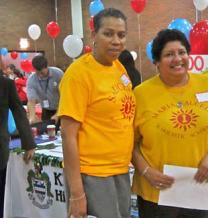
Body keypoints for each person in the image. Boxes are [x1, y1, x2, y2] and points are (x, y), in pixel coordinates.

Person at [131, 29, 208, 218]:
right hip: (157, 191)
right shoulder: (141, 94)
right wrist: (146, 171)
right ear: (156, 61)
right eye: (169, 54)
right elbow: (130, 143)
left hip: (198, 187)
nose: (177, 58)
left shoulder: (207, 84)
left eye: (182, 52)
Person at [58, 8, 136, 218]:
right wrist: (77, 194)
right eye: (108, 33)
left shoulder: (119, 68)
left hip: (119, 169)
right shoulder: (78, 74)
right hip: (92, 173)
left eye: (121, 35)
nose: (116, 41)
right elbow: (67, 135)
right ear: (94, 35)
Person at [0, 70, 36, 218]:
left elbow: (18, 111)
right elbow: (18, 111)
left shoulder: (6, 84)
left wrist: (28, 143)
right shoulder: (6, 83)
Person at [26, 55, 63, 124]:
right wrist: (32, 117)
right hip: (46, 111)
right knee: (46, 132)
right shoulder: (32, 80)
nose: (40, 75)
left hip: (61, 109)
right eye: (37, 73)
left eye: (42, 73)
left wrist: (58, 114)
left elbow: (65, 96)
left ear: (47, 66)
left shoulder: (58, 74)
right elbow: (31, 101)